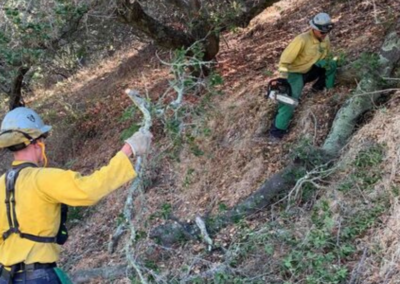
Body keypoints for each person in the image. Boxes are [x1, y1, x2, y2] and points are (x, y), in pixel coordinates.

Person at [0, 107, 152, 283]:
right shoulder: (43, 179)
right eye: (43, 139)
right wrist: (128, 150)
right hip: (38, 277)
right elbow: (89, 189)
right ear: (36, 143)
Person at [269, 12, 338, 141]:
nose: (324, 35)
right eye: (322, 32)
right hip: (295, 73)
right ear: (314, 29)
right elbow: (284, 61)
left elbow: (328, 56)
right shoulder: (301, 40)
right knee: (289, 101)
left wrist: (327, 63)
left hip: (311, 68)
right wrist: (283, 78)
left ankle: (319, 89)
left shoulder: (325, 39)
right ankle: (276, 132)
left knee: (332, 65)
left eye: (326, 32)